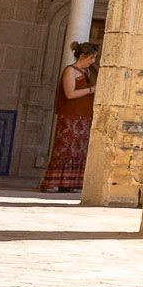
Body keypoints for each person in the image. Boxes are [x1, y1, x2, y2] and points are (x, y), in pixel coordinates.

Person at [38, 42, 97, 193]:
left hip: (84, 116)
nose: (92, 61)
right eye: (91, 58)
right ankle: (54, 181)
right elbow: (70, 93)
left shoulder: (89, 71)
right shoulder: (70, 71)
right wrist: (91, 89)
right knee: (65, 149)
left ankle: (71, 182)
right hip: (70, 117)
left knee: (79, 151)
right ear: (82, 56)